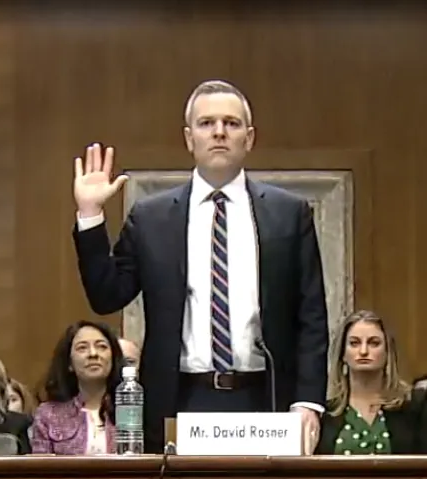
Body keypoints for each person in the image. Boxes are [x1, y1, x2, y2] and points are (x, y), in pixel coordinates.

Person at [71, 80, 329, 453]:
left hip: (266, 396)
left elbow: (312, 316)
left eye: (232, 123)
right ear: (190, 138)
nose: (219, 132)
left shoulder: (288, 213)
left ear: (250, 137)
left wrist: (308, 402)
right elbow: (107, 295)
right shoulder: (151, 217)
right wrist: (91, 215)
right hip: (180, 399)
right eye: (207, 124)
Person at [315, 311, 427, 454]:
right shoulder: (325, 410)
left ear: (387, 351)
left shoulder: (414, 405)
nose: (363, 351)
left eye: (374, 343)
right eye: (354, 343)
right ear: (343, 354)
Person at [29, 321, 122, 455]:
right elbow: (40, 470)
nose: (93, 354)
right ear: (69, 364)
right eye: (82, 348)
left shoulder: (131, 410)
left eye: (102, 346)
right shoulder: (49, 415)